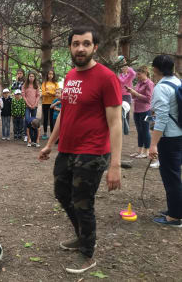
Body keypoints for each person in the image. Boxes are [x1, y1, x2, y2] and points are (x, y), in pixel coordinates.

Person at [39, 27, 122, 273]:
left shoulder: (107, 78)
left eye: (86, 44)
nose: (81, 48)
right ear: (70, 47)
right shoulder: (71, 75)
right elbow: (64, 113)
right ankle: (81, 235)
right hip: (67, 149)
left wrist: (114, 165)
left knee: (83, 202)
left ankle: (88, 254)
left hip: (93, 151)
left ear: (94, 47)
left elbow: (116, 122)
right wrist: (49, 144)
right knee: (62, 194)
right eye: (76, 44)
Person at [148, 55, 182, 227]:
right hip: (179, 134)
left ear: (156, 68)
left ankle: (175, 217)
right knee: (174, 174)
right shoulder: (177, 82)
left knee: (171, 176)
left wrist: (153, 144)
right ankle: (175, 209)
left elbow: (161, 118)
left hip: (169, 138)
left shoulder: (161, 88)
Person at [126, 66, 154, 159]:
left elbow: (149, 99)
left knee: (145, 131)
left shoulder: (149, 84)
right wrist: (131, 92)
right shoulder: (139, 83)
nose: (137, 76)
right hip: (137, 110)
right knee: (139, 131)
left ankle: (146, 152)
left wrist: (136, 93)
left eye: (139, 74)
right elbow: (135, 97)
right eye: (137, 74)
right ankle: (139, 151)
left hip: (146, 111)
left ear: (145, 73)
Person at [41, 68, 59, 140]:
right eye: (49, 74)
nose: (50, 75)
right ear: (47, 75)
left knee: (52, 118)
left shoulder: (56, 84)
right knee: (45, 118)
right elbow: (43, 93)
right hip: (45, 102)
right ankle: (45, 133)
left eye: (52, 74)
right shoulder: (44, 83)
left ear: (53, 75)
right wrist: (52, 93)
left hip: (53, 103)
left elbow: (57, 93)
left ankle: (52, 133)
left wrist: (49, 92)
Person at [22, 71, 41, 142]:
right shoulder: (25, 85)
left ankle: (33, 135)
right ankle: (26, 135)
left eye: (33, 76)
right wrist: (28, 104)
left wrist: (35, 104)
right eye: (30, 76)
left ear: (34, 77)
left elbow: (38, 95)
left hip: (34, 106)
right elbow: (23, 95)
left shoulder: (36, 85)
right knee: (27, 119)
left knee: (34, 121)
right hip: (27, 106)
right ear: (28, 77)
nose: (31, 77)